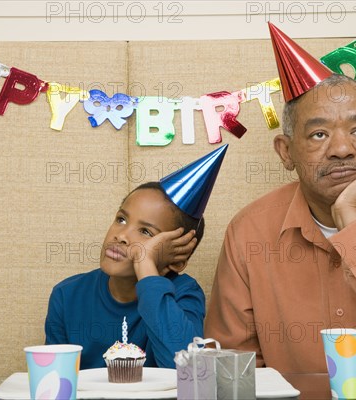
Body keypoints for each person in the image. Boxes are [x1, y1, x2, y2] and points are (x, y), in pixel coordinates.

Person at [205, 23, 356, 380]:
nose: (343, 149)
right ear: (286, 152)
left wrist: (354, 221)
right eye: (319, 134)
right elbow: (231, 372)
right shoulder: (249, 230)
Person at [46, 145, 228, 369]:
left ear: (177, 259)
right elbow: (54, 381)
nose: (121, 236)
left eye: (146, 232)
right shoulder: (67, 295)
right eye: (121, 219)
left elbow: (188, 371)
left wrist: (145, 266)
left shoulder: (184, 294)